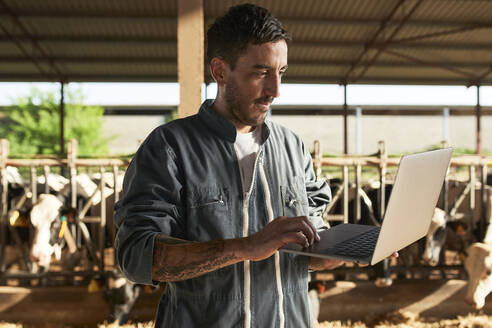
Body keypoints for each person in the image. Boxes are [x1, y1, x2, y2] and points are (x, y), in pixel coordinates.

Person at [114, 3, 345, 327]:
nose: (275, 91)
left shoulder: (293, 147)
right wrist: (246, 247)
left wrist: (347, 252)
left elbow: (310, 250)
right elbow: (136, 255)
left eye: (281, 73)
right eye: (261, 73)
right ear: (220, 71)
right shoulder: (170, 146)